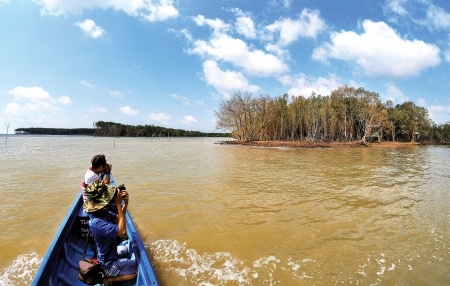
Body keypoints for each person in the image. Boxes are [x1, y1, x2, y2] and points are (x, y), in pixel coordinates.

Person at [84, 179, 137, 277]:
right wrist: (117, 204)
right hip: (107, 264)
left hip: (110, 253)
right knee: (135, 267)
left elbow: (119, 219)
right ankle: (108, 279)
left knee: (125, 249)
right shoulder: (97, 222)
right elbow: (122, 231)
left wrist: (125, 203)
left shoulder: (101, 212)